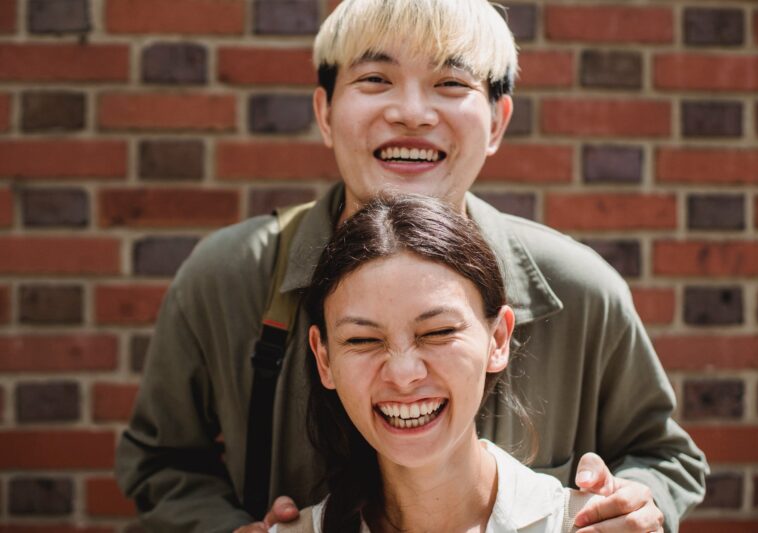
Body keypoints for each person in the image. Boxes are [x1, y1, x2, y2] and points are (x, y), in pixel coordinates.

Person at [115, 1, 708, 531]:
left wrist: (635, 506)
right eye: (376, 78)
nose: (412, 111)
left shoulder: (580, 289)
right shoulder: (227, 279)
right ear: (324, 112)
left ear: (498, 120)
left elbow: (664, 456)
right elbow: (161, 461)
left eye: (451, 82)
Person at [239, 194, 602, 533]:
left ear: (498, 339)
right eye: (362, 340)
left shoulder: (585, 524)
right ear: (324, 359)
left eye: (438, 332)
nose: (403, 374)